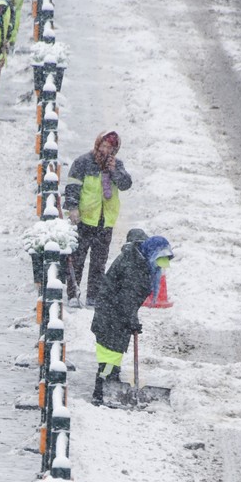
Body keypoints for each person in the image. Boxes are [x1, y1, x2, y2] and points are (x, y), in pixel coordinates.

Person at [90, 232, 174, 405]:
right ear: (152, 253)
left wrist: (130, 319)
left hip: (115, 316)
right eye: (160, 258)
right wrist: (132, 321)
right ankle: (101, 392)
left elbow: (127, 299)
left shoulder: (139, 261)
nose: (162, 264)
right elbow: (126, 298)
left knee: (113, 355)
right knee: (109, 357)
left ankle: (109, 385)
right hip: (110, 318)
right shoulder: (134, 268)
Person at [63, 131, 133, 308]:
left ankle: (93, 296)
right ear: (97, 144)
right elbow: (72, 187)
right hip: (84, 220)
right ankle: (73, 293)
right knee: (77, 259)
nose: (105, 150)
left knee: (98, 263)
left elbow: (126, 184)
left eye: (110, 147)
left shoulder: (117, 166)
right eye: (103, 145)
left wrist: (114, 170)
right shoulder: (83, 162)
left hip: (105, 221)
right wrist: (73, 208)